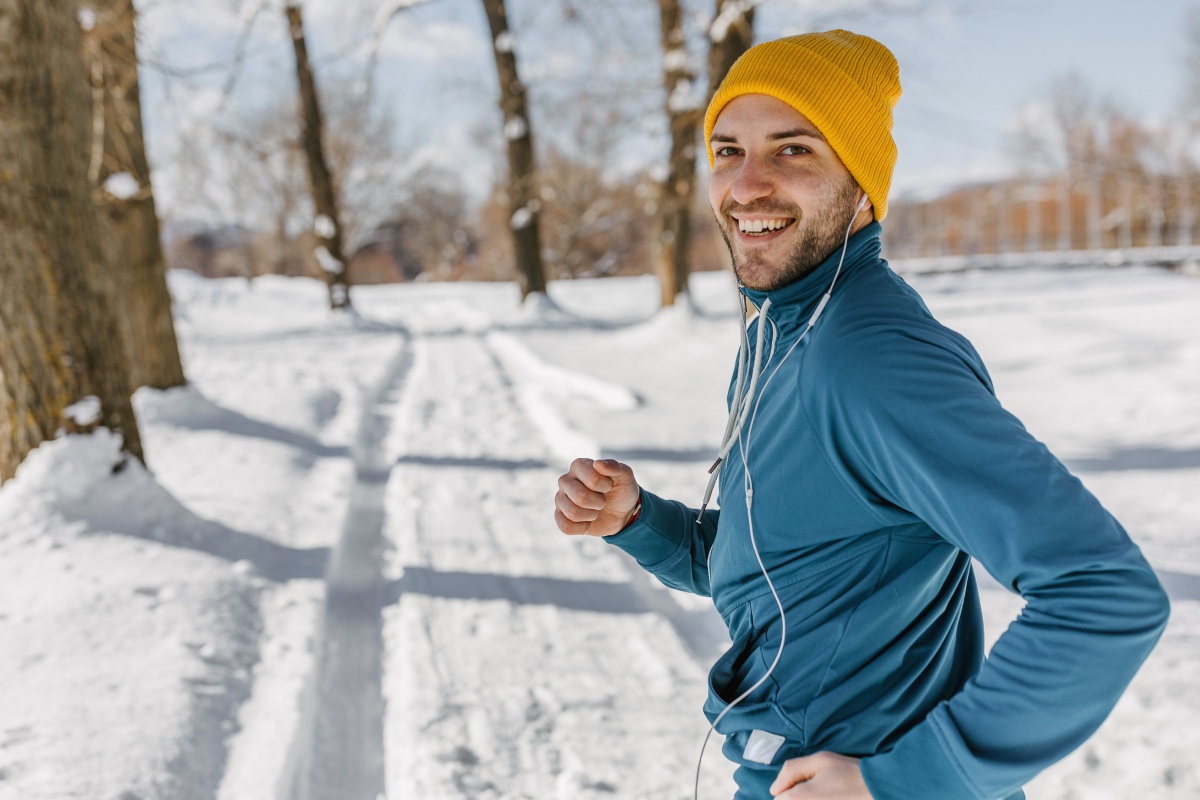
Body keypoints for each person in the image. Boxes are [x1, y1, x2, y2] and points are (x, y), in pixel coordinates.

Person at [553, 29, 1171, 800]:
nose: (745, 185)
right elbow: (788, 572)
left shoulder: (869, 359)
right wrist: (641, 522)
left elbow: (1105, 592)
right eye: (726, 150)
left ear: (862, 179)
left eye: (793, 150)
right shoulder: (779, 336)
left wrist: (906, 780)